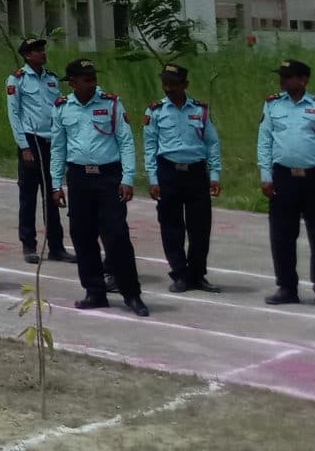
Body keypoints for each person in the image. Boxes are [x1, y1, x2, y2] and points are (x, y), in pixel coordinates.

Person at [49, 58, 149, 315]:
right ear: (72, 83)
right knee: (82, 236)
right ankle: (94, 291)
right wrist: (55, 184)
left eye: (93, 78)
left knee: (116, 236)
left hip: (108, 177)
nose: (92, 83)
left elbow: (126, 142)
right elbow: (58, 148)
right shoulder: (62, 107)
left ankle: (131, 293)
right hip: (79, 178)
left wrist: (128, 178)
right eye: (86, 79)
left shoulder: (112, 104)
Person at [258, 58, 315, 312]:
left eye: (288, 77)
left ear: (303, 79)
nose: (282, 81)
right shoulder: (272, 104)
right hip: (283, 177)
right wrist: (266, 175)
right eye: (282, 76)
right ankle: (287, 288)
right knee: (282, 236)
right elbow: (264, 141)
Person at [143, 62, 222, 293]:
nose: (168, 88)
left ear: (185, 85)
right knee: (171, 227)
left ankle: (197, 274)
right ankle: (179, 273)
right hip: (168, 172)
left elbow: (212, 143)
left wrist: (215, 174)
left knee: (200, 228)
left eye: (174, 84)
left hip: (196, 174)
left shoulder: (200, 110)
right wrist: (153, 179)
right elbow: (149, 147)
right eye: (165, 83)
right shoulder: (155, 111)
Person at [5, 36, 69, 265]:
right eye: (37, 50)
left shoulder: (51, 78)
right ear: (27, 55)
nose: (43, 53)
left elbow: (58, 109)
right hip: (31, 141)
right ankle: (29, 245)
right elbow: (14, 115)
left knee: (52, 193)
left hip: (52, 140)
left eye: (43, 49)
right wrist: (24, 146)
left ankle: (57, 246)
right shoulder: (17, 79)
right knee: (29, 196)